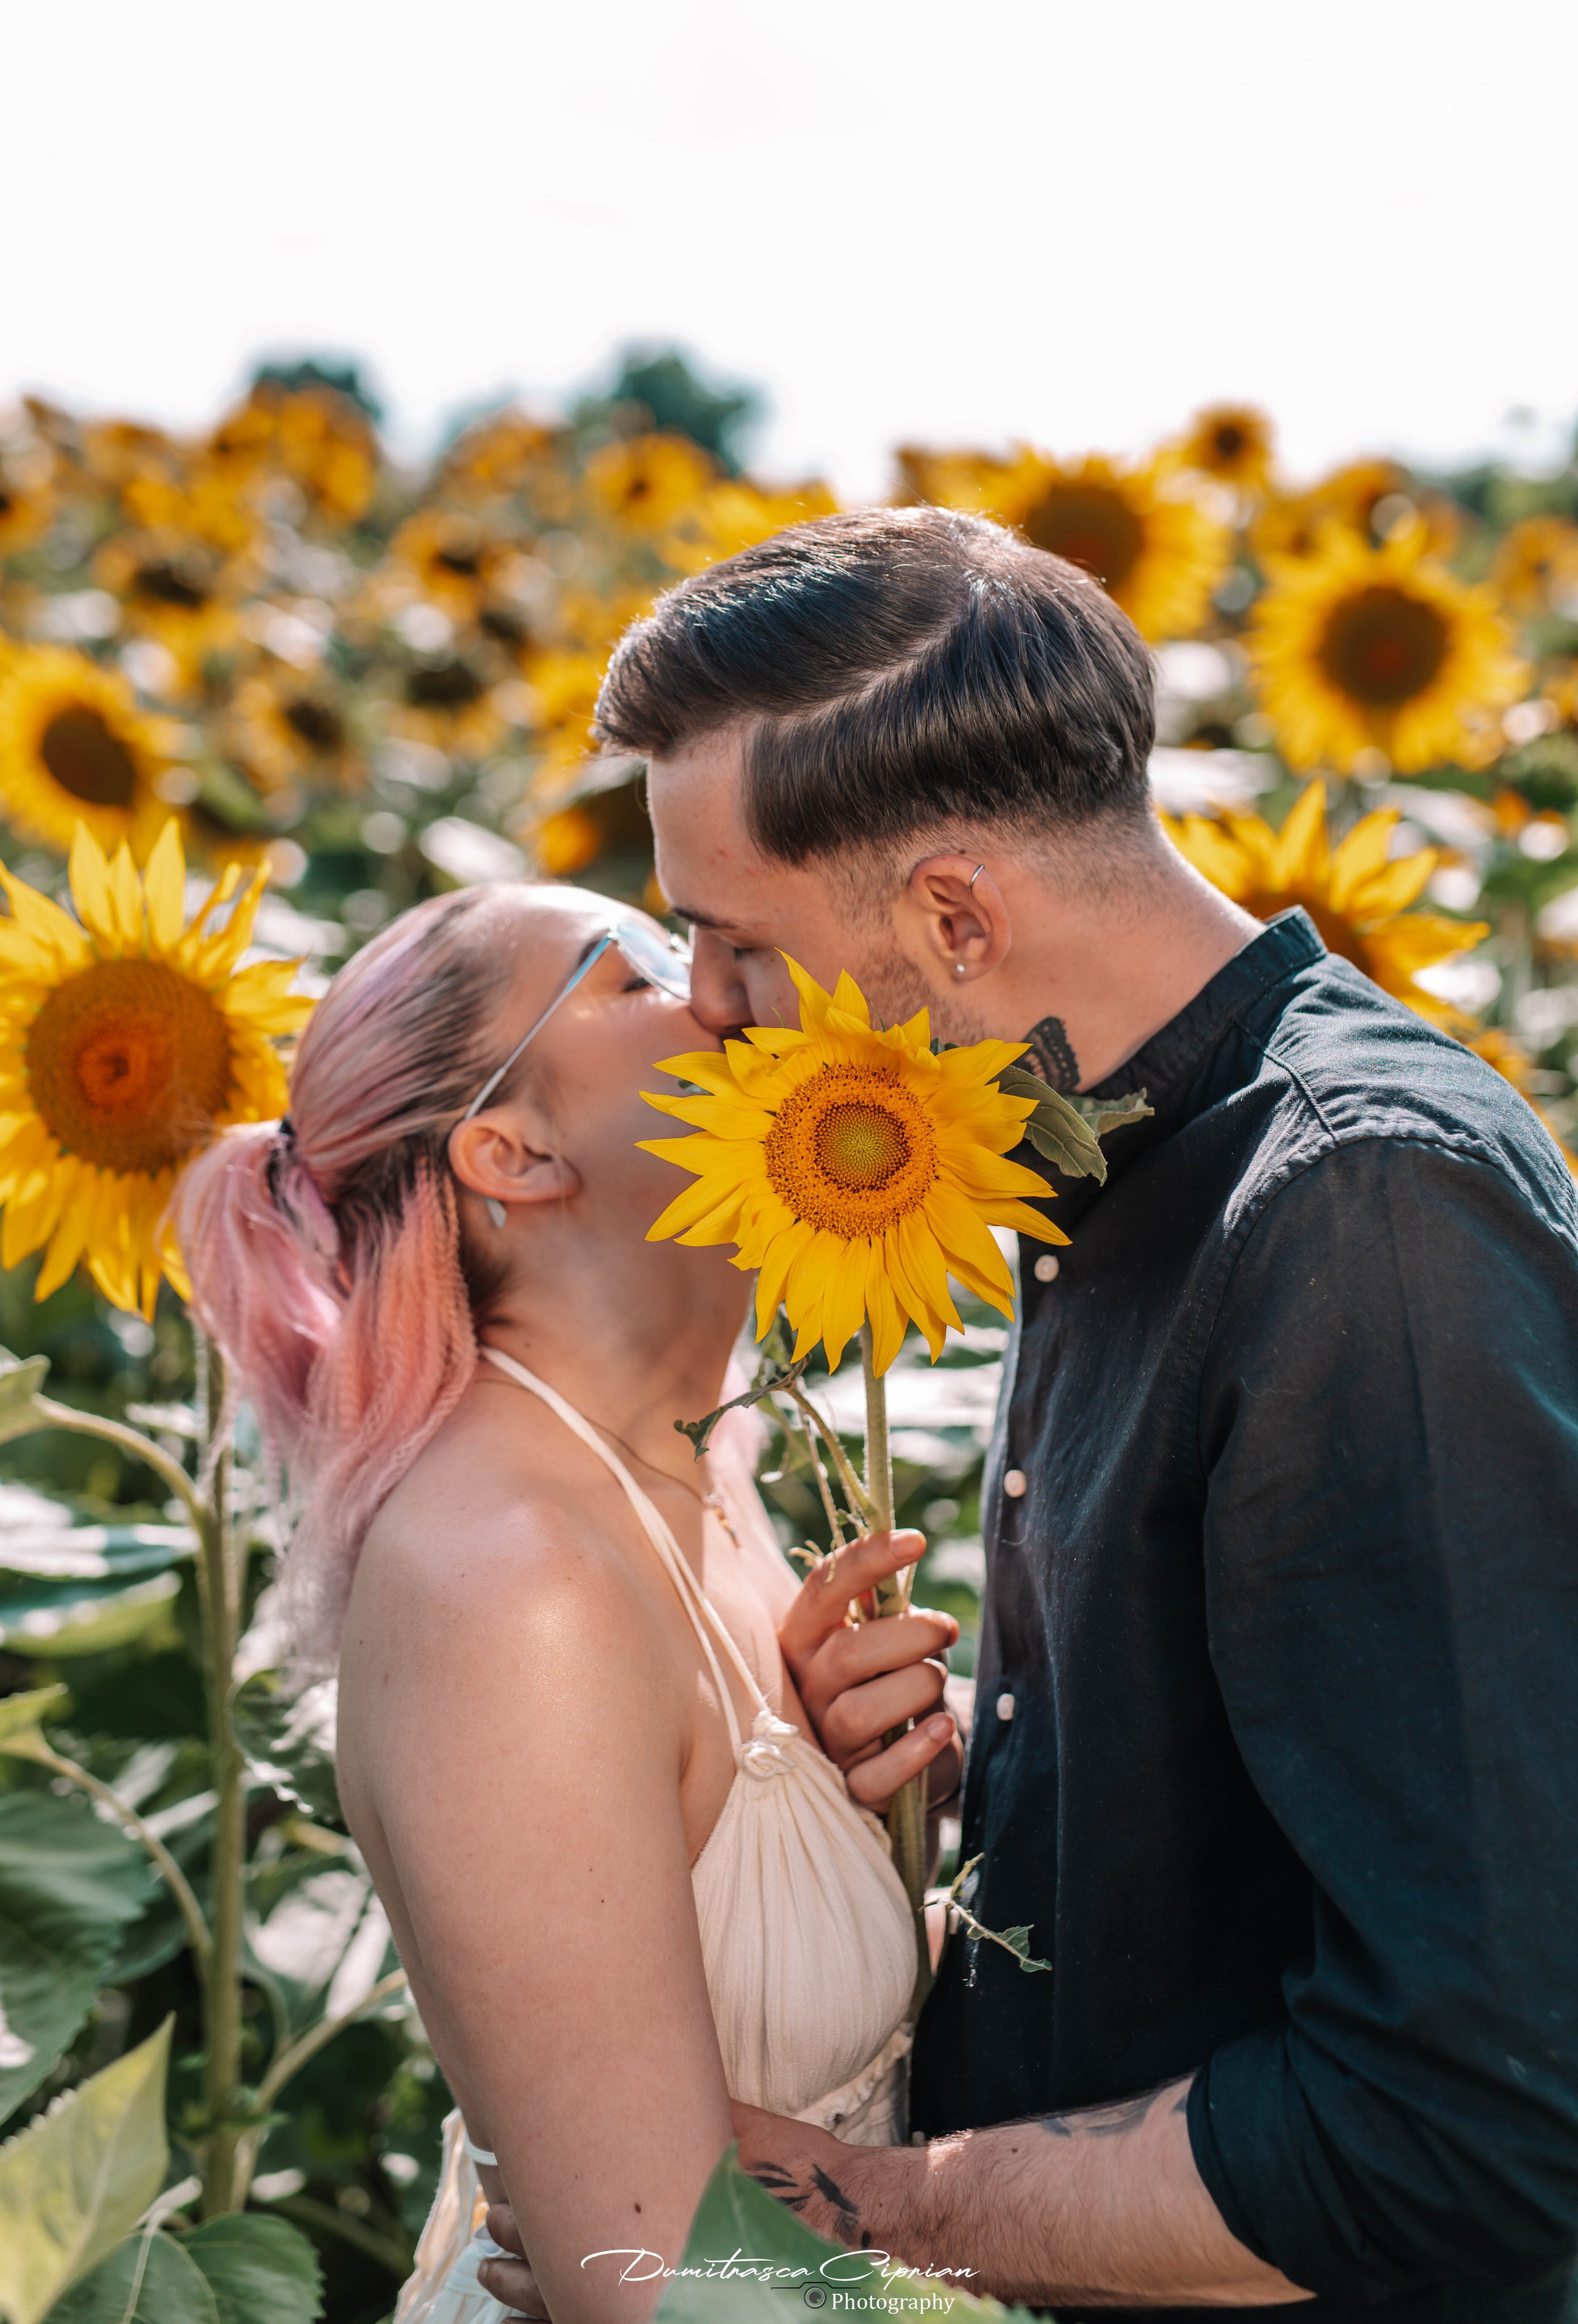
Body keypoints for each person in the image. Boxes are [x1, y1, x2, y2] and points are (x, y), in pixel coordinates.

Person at [479, 504, 1578, 2320]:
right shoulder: (1093, 1168)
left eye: (733, 942)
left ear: (957, 914)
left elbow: (1480, 2114)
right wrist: (964, 1779)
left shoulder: (1362, 1214)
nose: (711, 1012)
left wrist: (886, 2209)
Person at [174, 878, 965, 2324]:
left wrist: (938, 1789)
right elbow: (653, 2287)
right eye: (640, 968)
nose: (721, 985)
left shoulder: (693, 1474)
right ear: (512, 1151)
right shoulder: (515, 1580)